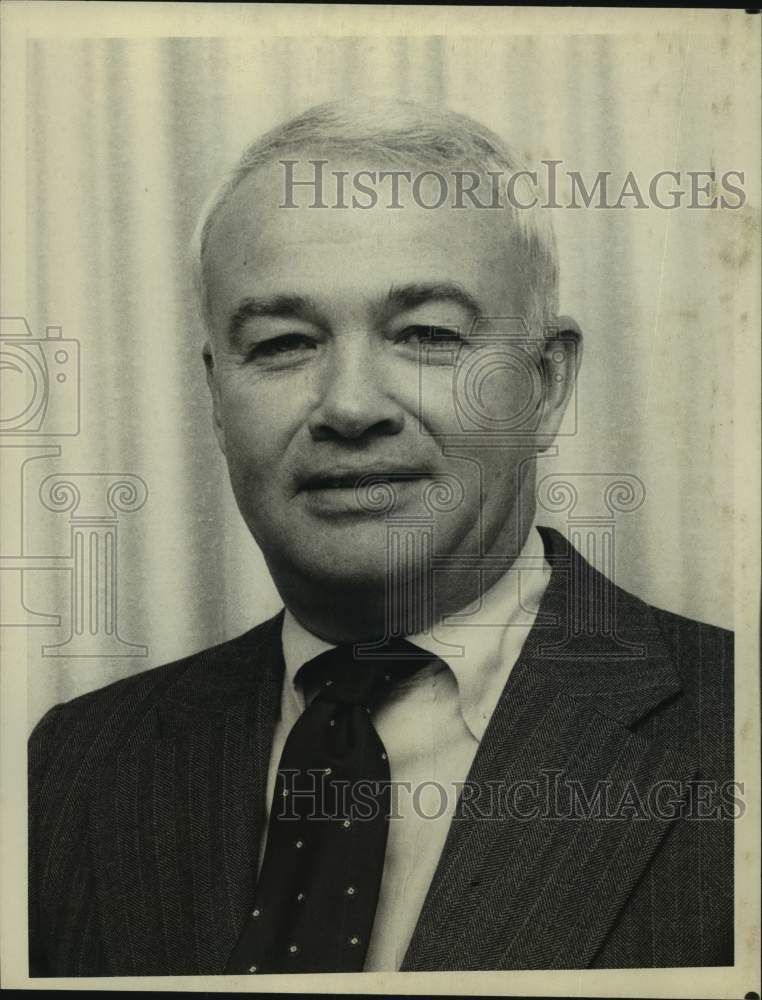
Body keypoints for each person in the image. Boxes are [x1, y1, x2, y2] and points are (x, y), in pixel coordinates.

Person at [28, 98, 734, 977]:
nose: (351, 406)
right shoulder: (72, 764)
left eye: (427, 335)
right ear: (216, 397)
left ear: (546, 385)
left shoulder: (733, 729)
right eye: (284, 343)